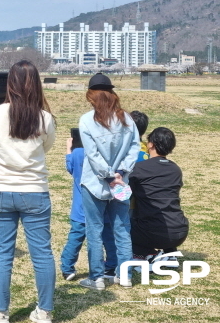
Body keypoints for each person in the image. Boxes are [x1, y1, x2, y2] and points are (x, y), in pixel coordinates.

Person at [0, 60, 56, 323]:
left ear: (10, 83)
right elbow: (46, 148)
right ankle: (44, 312)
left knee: (2, 253)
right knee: (42, 254)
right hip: (35, 191)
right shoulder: (45, 118)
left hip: (1, 190)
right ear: (36, 83)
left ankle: (1, 313)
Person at [78, 73, 140, 291]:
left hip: (96, 183)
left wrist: (108, 176)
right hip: (121, 183)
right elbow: (134, 148)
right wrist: (121, 173)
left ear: (91, 96)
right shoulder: (127, 119)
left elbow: (92, 155)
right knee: (122, 228)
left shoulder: (87, 120)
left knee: (94, 230)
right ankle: (125, 275)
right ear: (112, 94)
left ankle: (97, 278)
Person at [60, 132, 117, 282]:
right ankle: (111, 264)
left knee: (75, 238)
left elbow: (70, 168)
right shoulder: (104, 154)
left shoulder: (77, 153)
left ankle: (67, 268)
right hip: (102, 206)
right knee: (107, 238)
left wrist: (68, 148)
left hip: (80, 209)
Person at [129, 127, 188, 266]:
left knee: (124, 226)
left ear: (150, 144)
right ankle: (170, 253)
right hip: (180, 231)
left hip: (151, 233)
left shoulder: (140, 168)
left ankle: (150, 254)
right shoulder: (175, 169)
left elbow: (126, 192)